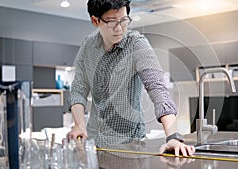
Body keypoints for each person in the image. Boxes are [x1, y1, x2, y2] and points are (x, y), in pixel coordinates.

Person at [66, 0, 195, 156]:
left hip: (129, 146)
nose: (120, 28)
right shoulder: (88, 46)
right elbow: (78, 90)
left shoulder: (137, 45)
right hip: (94, 144)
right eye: (112, 22)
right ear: (95, 21)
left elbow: (157, 88)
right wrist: (79, 124)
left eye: (124, 20)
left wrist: (173, 136)